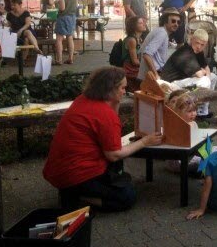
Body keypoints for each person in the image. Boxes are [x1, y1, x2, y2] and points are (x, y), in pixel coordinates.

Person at [42, 67, 163, 211]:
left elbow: (110, 132)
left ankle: (74, 191)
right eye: (122, 88)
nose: (125, 92)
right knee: (127, 196)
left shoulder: (83, 99)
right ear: (110, 89)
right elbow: (114, 154)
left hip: (59, 171)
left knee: (122, 178)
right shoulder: (104, 114)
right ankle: (78, 196)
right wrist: (144, 141)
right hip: (77, 174)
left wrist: (116, 102)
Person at [138, 9, 180, 80]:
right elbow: (147, 54)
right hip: (150, 78)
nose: (176, 24)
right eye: (173, 21)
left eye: (178, 22)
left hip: (149, 76)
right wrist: (156, 75)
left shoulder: (160, 31)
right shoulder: (162, 33)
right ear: (165, 21)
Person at [54, 0, 78, 65]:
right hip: (72, 17)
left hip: (63, 17)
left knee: (59, 39)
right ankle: (71, 58)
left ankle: (59, 60)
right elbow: (75, 4)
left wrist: (57, 4)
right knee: (70, 37)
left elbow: (62, 8)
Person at [121, 16, 147, 89]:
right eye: (140, 23)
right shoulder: (132, 40)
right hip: (130, 69)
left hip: (135, 68)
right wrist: (147, 64)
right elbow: (134, 61)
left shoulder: (139, 39)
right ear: (134, 26)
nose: (144, 24)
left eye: (143, 22)